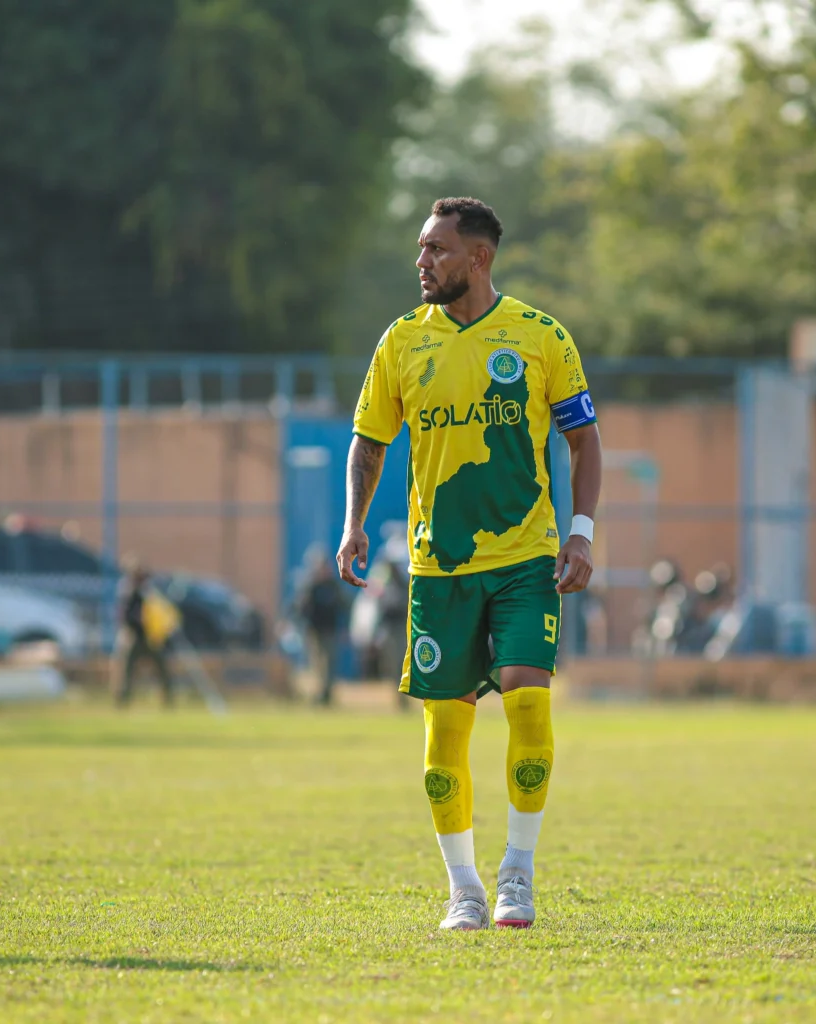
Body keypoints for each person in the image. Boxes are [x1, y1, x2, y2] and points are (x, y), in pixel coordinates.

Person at [337, 197, 603, 931]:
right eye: (421, 249)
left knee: (526, 699)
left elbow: (584, 441)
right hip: (438, 568)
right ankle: (465, 890)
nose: (421, 262)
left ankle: (517, 874)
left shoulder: (540, 336)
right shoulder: (400, 342)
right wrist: (354, 525)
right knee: (445, 731)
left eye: (436, 250)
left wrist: (579, 533)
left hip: (524, 559)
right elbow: (369, 440)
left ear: (477, 257)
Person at [115, 566, 178, 707]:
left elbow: (159, 612)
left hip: (150, 638)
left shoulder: (149, 593)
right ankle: (122, 701)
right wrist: (138, 620)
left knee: (162, 668)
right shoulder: (128, 592)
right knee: (127, 671)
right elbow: (125, 616)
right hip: (133, 637)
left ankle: (168, 700)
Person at [291, 545, 345, 705]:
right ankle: (319, 694)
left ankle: (327, 694)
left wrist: (344, 628)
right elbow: (300, 607)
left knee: (330, 663)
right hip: (314, 631)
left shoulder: (333, 586)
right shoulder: (310, 586)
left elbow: (343, 606)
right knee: (317, 663)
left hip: (331, 630)